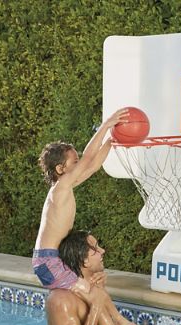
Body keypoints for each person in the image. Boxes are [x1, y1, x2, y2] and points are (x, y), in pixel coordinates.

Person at [32, 109, 129, 295]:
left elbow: (92, 166)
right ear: (60, 169)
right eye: (75, 162)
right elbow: (88, 158)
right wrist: (106, 125)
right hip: (48, 261)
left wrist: (112, 140)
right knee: (91, 292)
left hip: (52, 259)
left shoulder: (65, 187)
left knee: (94, 290)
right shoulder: (59, 189)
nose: (80, 165)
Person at [45, 230, 153, 325]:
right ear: (84, 260)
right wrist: (96, 305)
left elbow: (104, 320)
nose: (103, 251)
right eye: (96, 249)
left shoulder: (89, 289)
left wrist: (100, 289)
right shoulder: (61, 300)